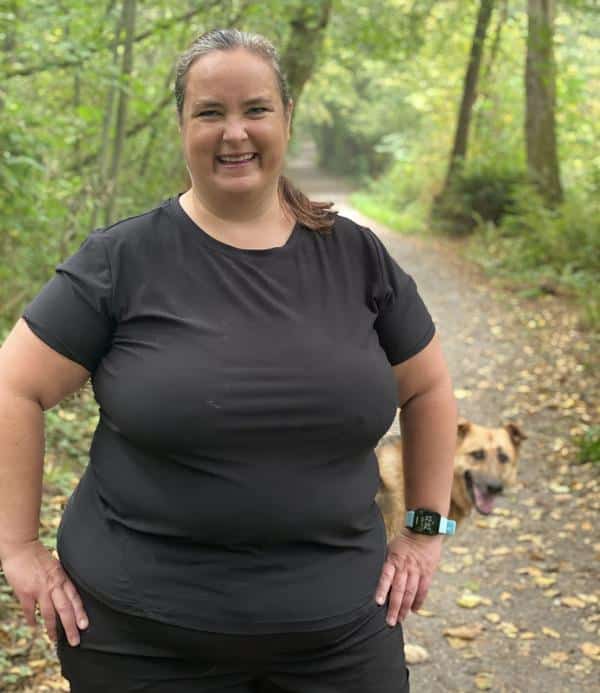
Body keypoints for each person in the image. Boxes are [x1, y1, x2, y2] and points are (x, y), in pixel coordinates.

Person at [0, 28, 457, 693]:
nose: (234, 132)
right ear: (182, 127)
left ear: (287, 118)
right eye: (210, 112)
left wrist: (423, 529)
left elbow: (430, 388)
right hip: (140, 645)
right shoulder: (122, 260)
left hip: (340, 640)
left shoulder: (357, 259)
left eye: (255, 109)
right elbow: (14, 385)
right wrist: (17, 546)